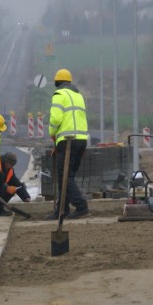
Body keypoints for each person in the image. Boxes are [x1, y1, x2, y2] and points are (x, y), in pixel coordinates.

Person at [46, 68, 90, 220]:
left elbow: (56, 119)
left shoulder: (59, 95)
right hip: (81, 140)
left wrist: (53, 134)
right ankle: (61, 210)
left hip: (67, 141)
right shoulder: (79, 96)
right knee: (67, 176)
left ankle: (81, 206)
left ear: (57, 83)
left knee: (65, 176)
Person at [0, 152, 31, 216]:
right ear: (5, 161)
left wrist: (25, 197)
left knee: (13, 188)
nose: (10, 166)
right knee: (4, 188)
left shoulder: (9, 170)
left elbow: (17, 183)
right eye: (9, 164)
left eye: (12, 165)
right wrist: (6, 188)